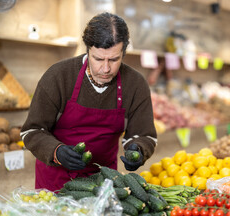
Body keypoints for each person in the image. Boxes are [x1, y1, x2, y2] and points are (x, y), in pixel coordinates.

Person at [20, 12, 157, 192]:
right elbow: (32, 131)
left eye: (114, 59)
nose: (106, 68)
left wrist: (138, 150)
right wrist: (56, 151)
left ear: (124, 53)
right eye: (98, 59)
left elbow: (145, 135)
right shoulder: (58, 76)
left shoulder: (135, 84)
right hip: (54, 183)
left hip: (104, 182)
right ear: (87, 50)